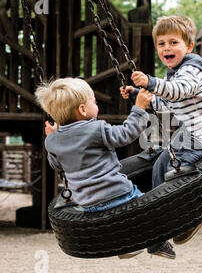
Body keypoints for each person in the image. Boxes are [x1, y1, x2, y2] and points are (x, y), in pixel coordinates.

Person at [120, 15, 202, 248]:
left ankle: (192, 216)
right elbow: (164, 104)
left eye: (173, 42)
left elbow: (177, 92)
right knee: (161, 163)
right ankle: (161, 224)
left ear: (189, 46)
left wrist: (150, 82)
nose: (166, 48)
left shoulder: (192, 71)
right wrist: (138, 96)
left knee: (175, 170)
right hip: (193, 133)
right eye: (161, 44)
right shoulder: (174, 74)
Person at [35, 77, 175, 260]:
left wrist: (51, 139)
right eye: (93, 101)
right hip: (120, 193)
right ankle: (157, 244)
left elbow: (56, 165)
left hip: (87, 204)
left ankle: (125, 247)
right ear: (82, 110)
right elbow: (126, 134)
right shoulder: (96, 129)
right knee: (151, 211)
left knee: (114, 218)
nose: (96, 104)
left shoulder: (52, 140)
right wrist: (139, 109)